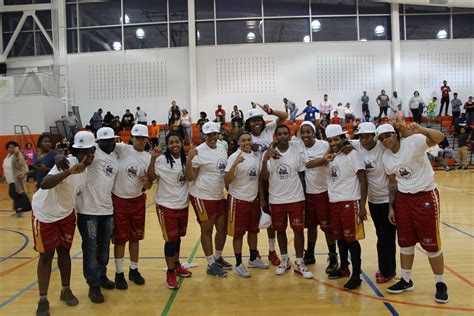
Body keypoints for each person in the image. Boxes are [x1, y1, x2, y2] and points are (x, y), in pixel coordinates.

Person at [377, 122, 448, 304]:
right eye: (382, 138)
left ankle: (440, 284)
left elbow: (440, 138)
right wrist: (392, 206)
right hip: (403, 200)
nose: (385, 140)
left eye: (388, 136)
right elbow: (392, 183)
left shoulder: (414, 142)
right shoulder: (386, 157)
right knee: (405, 242)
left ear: (396, 134)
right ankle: (406, 280)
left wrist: (422, 130)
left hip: (425, 195)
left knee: (431, 244)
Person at [31, 131, 96, 316]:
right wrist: (68, 171)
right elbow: (44, 183)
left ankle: (65, 290)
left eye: (91, 151)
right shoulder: (66, 163)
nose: (89, 155)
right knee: (46, 257)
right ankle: (42, 299)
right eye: (84, 152)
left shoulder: (86, 169)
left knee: (64, 252)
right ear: (76, 151)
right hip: (45, 214)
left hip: (66, 215)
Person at [261, 125, 312, 279]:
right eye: (280, 134)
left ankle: (300, 262)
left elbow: (302, 175)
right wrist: (265, 159)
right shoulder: (268, 153)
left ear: (290, 136)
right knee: (280, 230)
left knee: (298, 231)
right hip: (276, 199)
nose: (283, 136)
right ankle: (284, 260)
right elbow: (264, 177)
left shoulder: (297, 150)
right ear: (275, 137)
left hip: (296, 198)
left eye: (285, 134)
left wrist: (305, 195)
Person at [75, 127, 118, 303]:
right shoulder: (92, 154)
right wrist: (58, 156)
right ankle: (93, 285)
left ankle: (102, 275)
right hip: (88, 211)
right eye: (105, 141)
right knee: (91, 248)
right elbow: (73, 157)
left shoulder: (115, 156)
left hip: (107, 210)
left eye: (112, 140)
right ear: (98, 142)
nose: (109, 143)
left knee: (104, 246)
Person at [323, 124, 367, 290]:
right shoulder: (330, 156)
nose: (333, 143)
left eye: (336, 139)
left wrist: (362, 205)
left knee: (351, 240)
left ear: (343, 139)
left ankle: (356, 275)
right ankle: (344, 267)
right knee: (340, 238)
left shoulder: (352, 153)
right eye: (330, 140)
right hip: (334, 201)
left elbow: (363, 179)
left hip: (350, 201)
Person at [244, 104, 288, 266]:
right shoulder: (246, 136)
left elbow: (284, 117)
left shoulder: (269, 129)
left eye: (258, 120)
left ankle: (271, 251)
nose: (256, 123)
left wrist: (270, 111)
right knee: (253, 218)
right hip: (253, 180)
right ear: (248, 124)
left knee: (271, 216)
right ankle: (253, 254)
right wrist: (249, 145)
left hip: (271, 178)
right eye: (252, 121)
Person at [147, 133, 192, 289]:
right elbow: (151, 177)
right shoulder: (161, 160)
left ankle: (177, 264)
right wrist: (152, 159)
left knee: (178, 237)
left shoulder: (185, 159)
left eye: (177, 142)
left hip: (183, 204)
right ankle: (170, 271)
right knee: (170, 240)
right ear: (167, 144)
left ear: (181, 143)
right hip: (166, 205)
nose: (175, 145)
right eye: (171, 142)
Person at [352, 123, 396, 283]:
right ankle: (386, 267)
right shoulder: (357, 146)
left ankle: (388, 271)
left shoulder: (382, 147)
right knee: (381, 235)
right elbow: (340, 143)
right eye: (361, 136)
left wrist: (392, 206)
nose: (363, 140)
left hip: (387, 199)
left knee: (386, 238)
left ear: (374, 136)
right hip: (373, 200)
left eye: (367, 136)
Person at [185, 122, 231, 277]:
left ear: (218, 134)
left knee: (222, 228)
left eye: (214, 134)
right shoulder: (198, 152)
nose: (212, 137)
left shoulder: (222, 147)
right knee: (207, 229)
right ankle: (210, 264)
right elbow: (191, 177)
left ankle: (218, 258)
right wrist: (189, 161)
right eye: (209, 134)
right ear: (203, 135)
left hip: (218, 195)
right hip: (202, 196)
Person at [224, 130, 270, 277]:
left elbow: (257, 180)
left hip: (253, 200)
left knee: (253, 231)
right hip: (237, 200)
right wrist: (235, 164)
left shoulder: (256, 156)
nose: (246, 143)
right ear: (238, 143)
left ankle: (253, 258)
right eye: (243, 140)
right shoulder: (233, 157)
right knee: (238, 234)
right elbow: (227, 180)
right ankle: (238, 263)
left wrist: (261, 199)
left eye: (248, 140)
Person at [112, 124, 152, 289]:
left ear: (147, 139)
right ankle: (119, 273)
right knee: (120, 239)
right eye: (137, 137)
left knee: (135, 238)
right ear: (132, 138)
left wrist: (146, 182)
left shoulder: (149, 158)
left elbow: (149, 185)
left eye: (143, 138)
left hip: (137, 200)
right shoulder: (122, 149)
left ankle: (133, 269)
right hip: (119, 200)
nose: (140, 140)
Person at [298, 122, 339, 274]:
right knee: (311, 226)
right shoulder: (300, 147)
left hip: (325, 192)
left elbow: (338, 145)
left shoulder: (324, 145)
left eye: (309, 131)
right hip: (309, 193)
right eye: (303, 132)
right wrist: (323, 160)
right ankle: (310, 254)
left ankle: (333, 257)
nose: (306, 135)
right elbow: (308, 165)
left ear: (314, 132)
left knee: (328, 228)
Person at [3, 141, 32, 217]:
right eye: (9, 147)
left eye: (13, 147)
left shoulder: (17, 154)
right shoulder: (8, 156)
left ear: (15, 147)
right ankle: (22, 209)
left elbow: (21, 165)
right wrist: (3, 175)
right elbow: (6, 166)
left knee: (14, 193)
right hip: (10, 178)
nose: (11, 148)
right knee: (15, 193)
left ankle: (22, 209)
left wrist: (17, 157)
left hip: (16, 178)